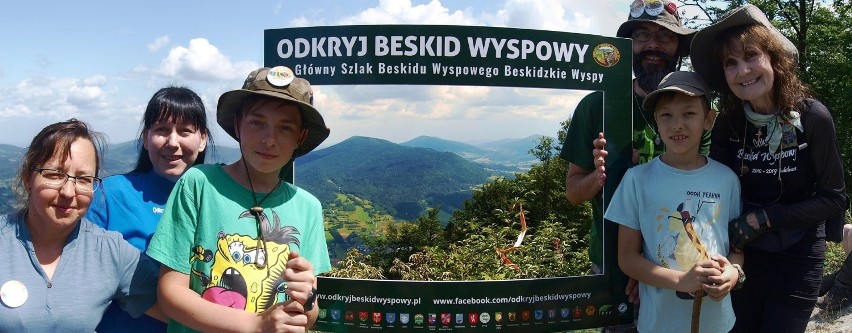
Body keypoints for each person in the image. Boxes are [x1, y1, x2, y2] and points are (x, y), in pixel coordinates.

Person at [690, 4, 848, 332]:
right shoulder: (728, 126)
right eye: (730, 63)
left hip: (798, 256)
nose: (743, 70)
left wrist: (765, 217)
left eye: (751, 55)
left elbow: (834, 199)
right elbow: (713, 194)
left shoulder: (812, 118)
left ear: (773, 58)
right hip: (744, 256)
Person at [146, 66, 332, 332]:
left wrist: (308, 298)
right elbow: (170, 294)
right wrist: (256, 325)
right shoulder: (199, 184)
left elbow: (309, 316)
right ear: (238, 125)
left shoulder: (308, 207)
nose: (269, 139)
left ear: (299, 138)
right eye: (257, 123)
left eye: (286, 128)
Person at [605, 71, 743, 333]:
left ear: (708, 120)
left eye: (689, 114)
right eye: (666, 115)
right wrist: (681, 280)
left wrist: (734, 273)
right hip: (658, 323)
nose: (677, 124)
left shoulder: (726, 179)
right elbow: (627, 258)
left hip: (718, 322)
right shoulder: (637, 180)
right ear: (655, 121)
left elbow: (736, 246)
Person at [0, 119, 162, 332]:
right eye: (55, 175)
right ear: (28, 178)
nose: (69, 192)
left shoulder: (109, 252)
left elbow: (179, 307)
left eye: (84, 179)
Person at [85, 86, 211, 332]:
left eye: (185, 131)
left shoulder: (216, 200)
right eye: (161, 130)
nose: (172, 142)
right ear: (146, 137)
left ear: (203, 139)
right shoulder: (111, 195)